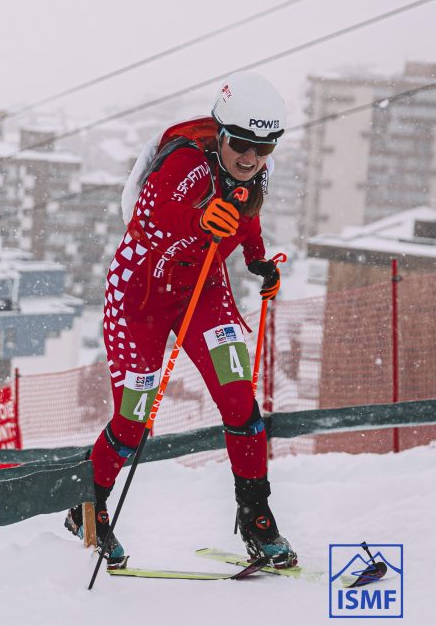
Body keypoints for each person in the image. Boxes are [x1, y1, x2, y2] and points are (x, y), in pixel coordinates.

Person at [65, 71, 295, 569]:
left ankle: (257, 517)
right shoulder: (188, 161)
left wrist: (258, 261)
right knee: (132, 422)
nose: (251, 158)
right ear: (221, 134)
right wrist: (197, 218)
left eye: (264, 148)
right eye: (242, 144)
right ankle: (89, 506)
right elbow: (147, 217)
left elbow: (247, 216)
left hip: (202, 288)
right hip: (139, 297)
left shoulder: (251, 174)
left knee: (239, 398)